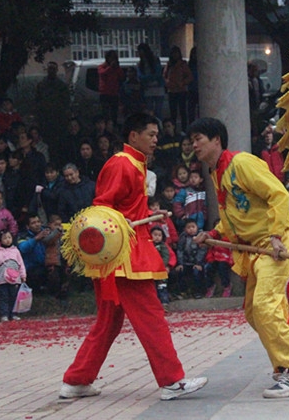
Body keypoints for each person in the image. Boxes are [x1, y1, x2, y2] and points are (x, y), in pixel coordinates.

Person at [60, 113, 208, 400]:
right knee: (151, 316)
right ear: (133, 136)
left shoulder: (133, 164)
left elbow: (122, 210)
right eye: (150, 134)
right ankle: (171, 380)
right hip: (126, 257)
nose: (155, 140)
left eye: (156, 135)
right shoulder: (122, 164)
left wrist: (148, 214)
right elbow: (102, 208)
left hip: (120, 255)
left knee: (108, 322)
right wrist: (121, 221)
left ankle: (76, 380)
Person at [189, 117, 289, 398]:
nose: (194, 145)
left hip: (274, 243)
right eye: (193, 140)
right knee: (253, 311)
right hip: (255, 249)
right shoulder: (217, 172)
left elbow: (278, 194)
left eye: (199, 139)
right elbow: (235, 216)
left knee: (264, 305)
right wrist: (213, 232)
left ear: (216, 140)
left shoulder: (241, 163)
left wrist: (276, 234)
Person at [0, 229, 26, 322]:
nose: (8, 240)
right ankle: (4, 314)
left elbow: (21, 264)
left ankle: (14, 314)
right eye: (5, 238)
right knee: (3, 297)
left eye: (9, 237)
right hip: (2, 280)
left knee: (14, 297)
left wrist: (23, 275)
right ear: (0, 240)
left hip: (15, 279)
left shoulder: (16, 251)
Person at [174, 219, 206, 298]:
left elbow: (202, 250)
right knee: (179, 271)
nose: (191, 229)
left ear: (197, 227)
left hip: (198, 262)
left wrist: (198, 263)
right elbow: (180, 250)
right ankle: (182, 291)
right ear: (185, 229)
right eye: (188, 227)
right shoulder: (183, 237)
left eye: (193, 227)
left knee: (197, 272)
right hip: (185, 262)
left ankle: (198, 292)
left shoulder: (201, 236)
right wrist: (180, 263)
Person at [163, 46, 193, 131]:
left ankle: (184, 129)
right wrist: (168, 83)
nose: (175, 55)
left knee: (183, 111)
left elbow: (190, 76)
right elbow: (164, 76)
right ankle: (173, 130)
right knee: (173, 112)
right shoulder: (169, 65)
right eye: (173, 53)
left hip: (181, 91)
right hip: (171, 91)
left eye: (176, 53)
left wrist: (182, 83)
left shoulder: (183, 64)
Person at [137, 43, 165, 119]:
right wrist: (149, 78)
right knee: (149, 111)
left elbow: (158, 74)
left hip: (158, 88)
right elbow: (140, 76)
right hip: (148, 89)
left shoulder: (155, 60)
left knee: (158, 111)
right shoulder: (140, 64)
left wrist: (147, 78)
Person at [98, 50, 125, 126]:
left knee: (114, 113)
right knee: (105, 113)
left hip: (114, 93)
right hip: (104, 93)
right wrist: (110, 67)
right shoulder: (102, 66)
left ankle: (114, 126)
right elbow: (102, 73)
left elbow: (122, 77)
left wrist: (117, 67)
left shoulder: (117, 68)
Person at [150, 226, 171, 309]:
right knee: (152, 288)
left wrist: (162, 265)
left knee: (162, 286)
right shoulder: (148, 245)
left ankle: (164, 303)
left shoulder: (163, 246)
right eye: (155, 235)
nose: (157, 237)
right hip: (150, 270)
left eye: (159, 235)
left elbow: (166, 257)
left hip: (161, 270)